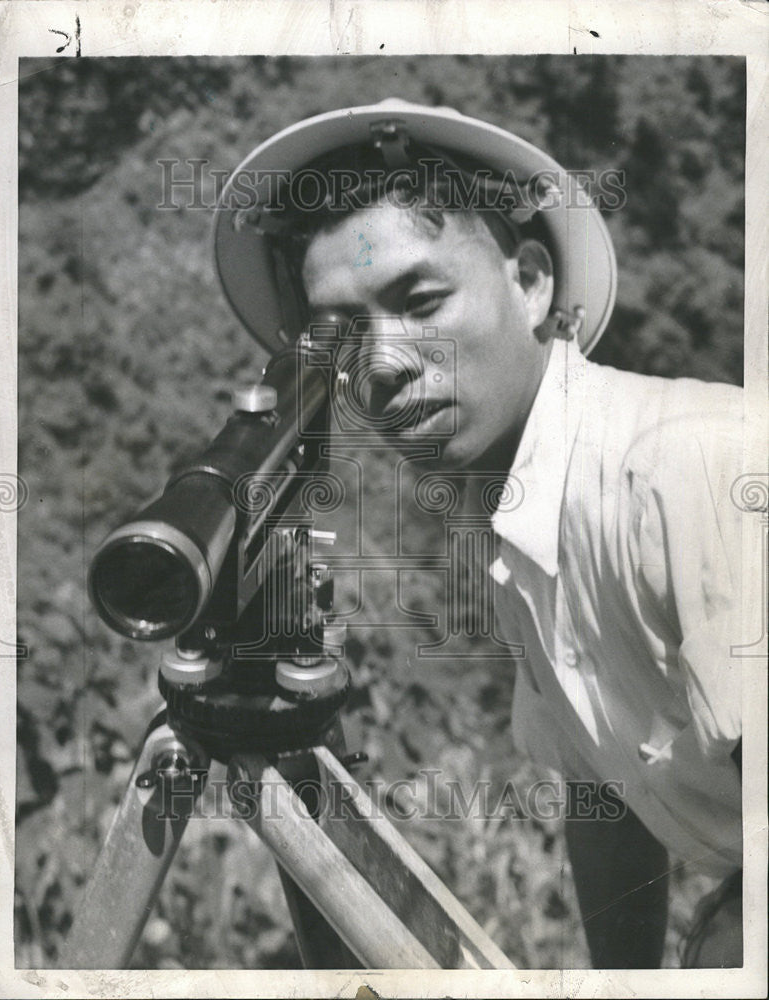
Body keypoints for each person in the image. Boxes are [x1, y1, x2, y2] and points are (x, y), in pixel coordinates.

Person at [213, 99, 750, 968]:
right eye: (341, 335)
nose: (381, 362)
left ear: (531, 280)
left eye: (419, 300)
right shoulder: (521, 523)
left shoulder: (688, 468)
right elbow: (599, 793)